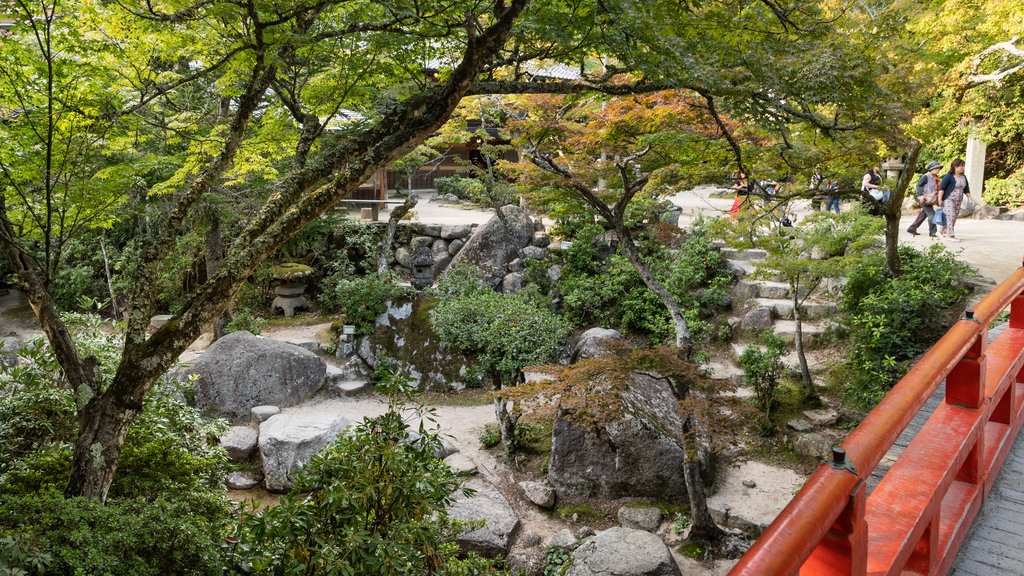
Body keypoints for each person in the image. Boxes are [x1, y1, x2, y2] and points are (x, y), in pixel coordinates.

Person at [936, 158, 974, 242]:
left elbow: (966, 189)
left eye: (963, 166)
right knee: (951, 216)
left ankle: (940, 232)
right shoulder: (948, 177)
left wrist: (970, 199)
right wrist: (940, 200)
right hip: (948, 200)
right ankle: (950, 235)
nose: (962, 168)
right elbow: (942, 189)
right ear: (955, 167)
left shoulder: (964, 177)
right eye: (960, 166)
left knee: (953, 217)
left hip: (958, 200)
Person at [907, 160, 943, 237]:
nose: (938, 170)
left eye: (938, 168)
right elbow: (918, 185)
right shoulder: (926, 176)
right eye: (936, 168)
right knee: (932, 214)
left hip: (930, 200)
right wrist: (921, 195)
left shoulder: (935, 177)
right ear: (932, 169)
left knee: (923, 215)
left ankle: (912, 228)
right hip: (925, 199)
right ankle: (932, 232)